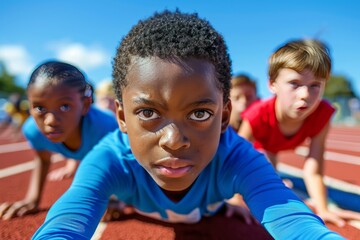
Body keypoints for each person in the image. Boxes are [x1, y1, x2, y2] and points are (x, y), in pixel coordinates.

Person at [32, 11, 344, 239]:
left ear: (224, 117)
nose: (174, 140)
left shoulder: (236, 158)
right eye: (148, 113)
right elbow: (65, 223)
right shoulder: (110, 160)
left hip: (208, 208)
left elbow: (296, 222)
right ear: (123, 118)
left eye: (199, 114)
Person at [238, 38, 360, 227]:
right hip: (261, 145)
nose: (305, 95)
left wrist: (323, 208)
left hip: (278, 142)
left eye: (315, 85)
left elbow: (314, 167)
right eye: (294, 84)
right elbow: (234, 159)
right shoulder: (256, 115)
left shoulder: (322, 114)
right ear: (272, 84)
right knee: (265, 175)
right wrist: (233, 200)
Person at [0, 60, 118, 220]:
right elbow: (43, 160)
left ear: (84, 105)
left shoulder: (106, 128)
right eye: (40, 108)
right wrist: (32, 200)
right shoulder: (33, 130)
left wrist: (114, 196)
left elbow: (121, 163)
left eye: (64, 106)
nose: (50, 121)